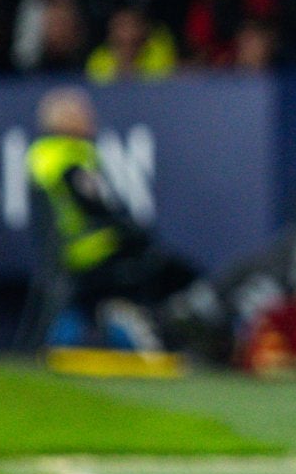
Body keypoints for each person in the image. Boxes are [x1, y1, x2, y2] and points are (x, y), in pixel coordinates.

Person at [25, 87, 199, 347]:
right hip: (92, 255)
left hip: (66, 258)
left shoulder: (43, 154)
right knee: (174, 272)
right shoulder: (68, 155)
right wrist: (135, 232)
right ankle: (175, 339)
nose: (91, 119)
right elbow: (97, 205)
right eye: (84, 114)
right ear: (67, 120)